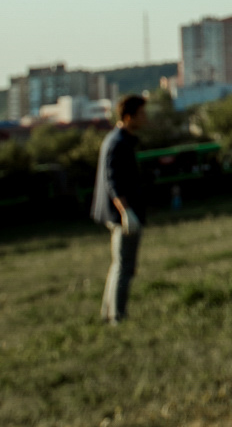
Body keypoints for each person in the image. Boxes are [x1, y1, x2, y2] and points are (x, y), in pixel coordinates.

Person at [90, 94, 151, 324]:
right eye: (141, 113)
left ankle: (109, 314)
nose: (145, 117)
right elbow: (113, 182)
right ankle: (117, 317)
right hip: (121, 215)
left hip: (120, 213)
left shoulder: (119, 139)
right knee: (125, 266)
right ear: (128, 117)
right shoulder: (118, 143)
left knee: (119, 265)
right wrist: (126, 212)